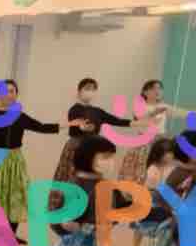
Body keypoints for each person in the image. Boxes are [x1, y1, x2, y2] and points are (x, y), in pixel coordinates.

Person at [0, 80, 80, 246]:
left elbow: (41, 127)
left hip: (14, 160)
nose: (10, 94)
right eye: (6, 91)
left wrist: (67, 125)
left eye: (13, 91)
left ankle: (11, 235)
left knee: (16, 197)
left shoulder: (20, 116)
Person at [50, 78, 141, 209]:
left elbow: (116, 121)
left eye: (93, 89)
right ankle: (64, 207)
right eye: (87, 88)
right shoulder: (74, 109)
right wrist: (83, 127)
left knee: (93, 179)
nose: (90, 91)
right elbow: (76, 123)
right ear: (79, 91)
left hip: (93, 148)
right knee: (72, 177)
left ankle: (92, 206)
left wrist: (137, 123)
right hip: (77, 147)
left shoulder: (98, 111)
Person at [130, 138, 178, 246]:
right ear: (159, 154)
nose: (170, 156)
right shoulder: (153, 169)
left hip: (161, 199)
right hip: (149, 199)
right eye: (166, 153)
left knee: (159, 225)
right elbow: (155, 187)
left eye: (171, 152)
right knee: (141, 225)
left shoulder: (171, 166)